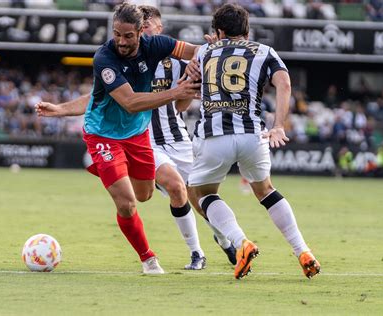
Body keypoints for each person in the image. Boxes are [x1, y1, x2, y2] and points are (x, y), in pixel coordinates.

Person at [36, 4, 237, 270]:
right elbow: (129, 102)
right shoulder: (105, 58)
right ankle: (149, 259)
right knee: (128, 203)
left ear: (142, 32)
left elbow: (195, 52)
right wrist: (177, 92)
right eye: (117, 34)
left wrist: (214, 49)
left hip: (138, 134)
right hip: (103, 135)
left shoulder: (157, 46)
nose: (121, 40)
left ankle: (116, 170)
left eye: (127, 35)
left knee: (145, 195)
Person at [185, 4, 320, 279]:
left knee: (203, 194)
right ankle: (302, 250)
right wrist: (279, 125)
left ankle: (241, 242)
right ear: (247, 30)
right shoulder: (264, 51)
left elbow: (187, 63)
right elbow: (284, 84)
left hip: (214, 135)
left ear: (219, 31)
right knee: (266, 191)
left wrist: (211, 44)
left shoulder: (204, 51)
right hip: (252, 134)